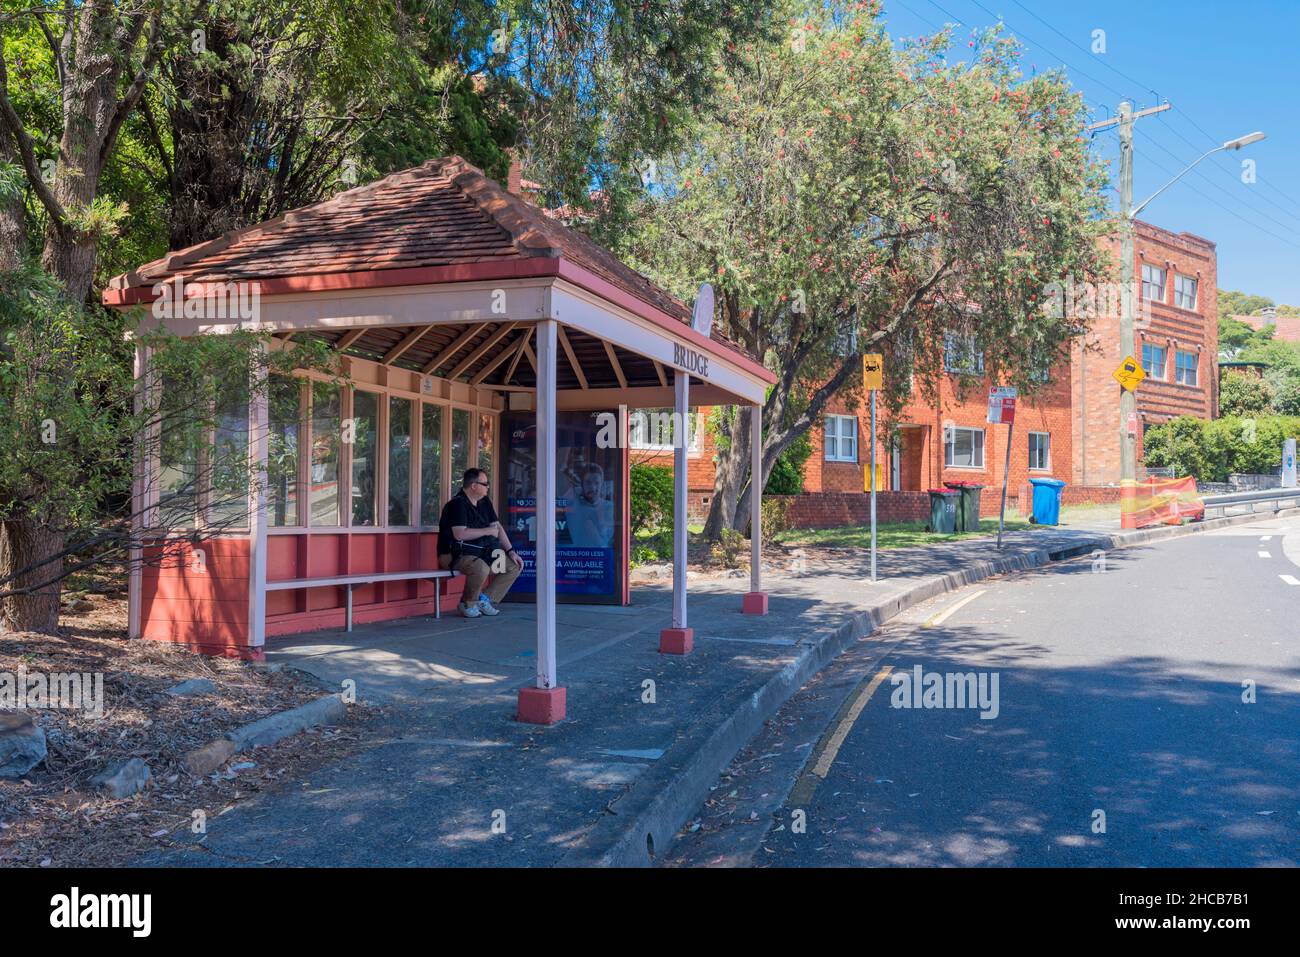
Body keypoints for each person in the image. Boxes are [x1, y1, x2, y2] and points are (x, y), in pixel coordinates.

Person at [438, 468, 524, 618]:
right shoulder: (457, 504)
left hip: (481, 552)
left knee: (513, 566)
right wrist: (486, 531)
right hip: (455, 555)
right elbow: (459, 534)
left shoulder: (484, 502)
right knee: (481, 567)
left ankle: (484, 599)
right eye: (485, 484)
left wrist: (511, 551)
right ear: (473, 486)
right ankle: (467, 603)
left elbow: (497, 527)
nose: (488, 487)